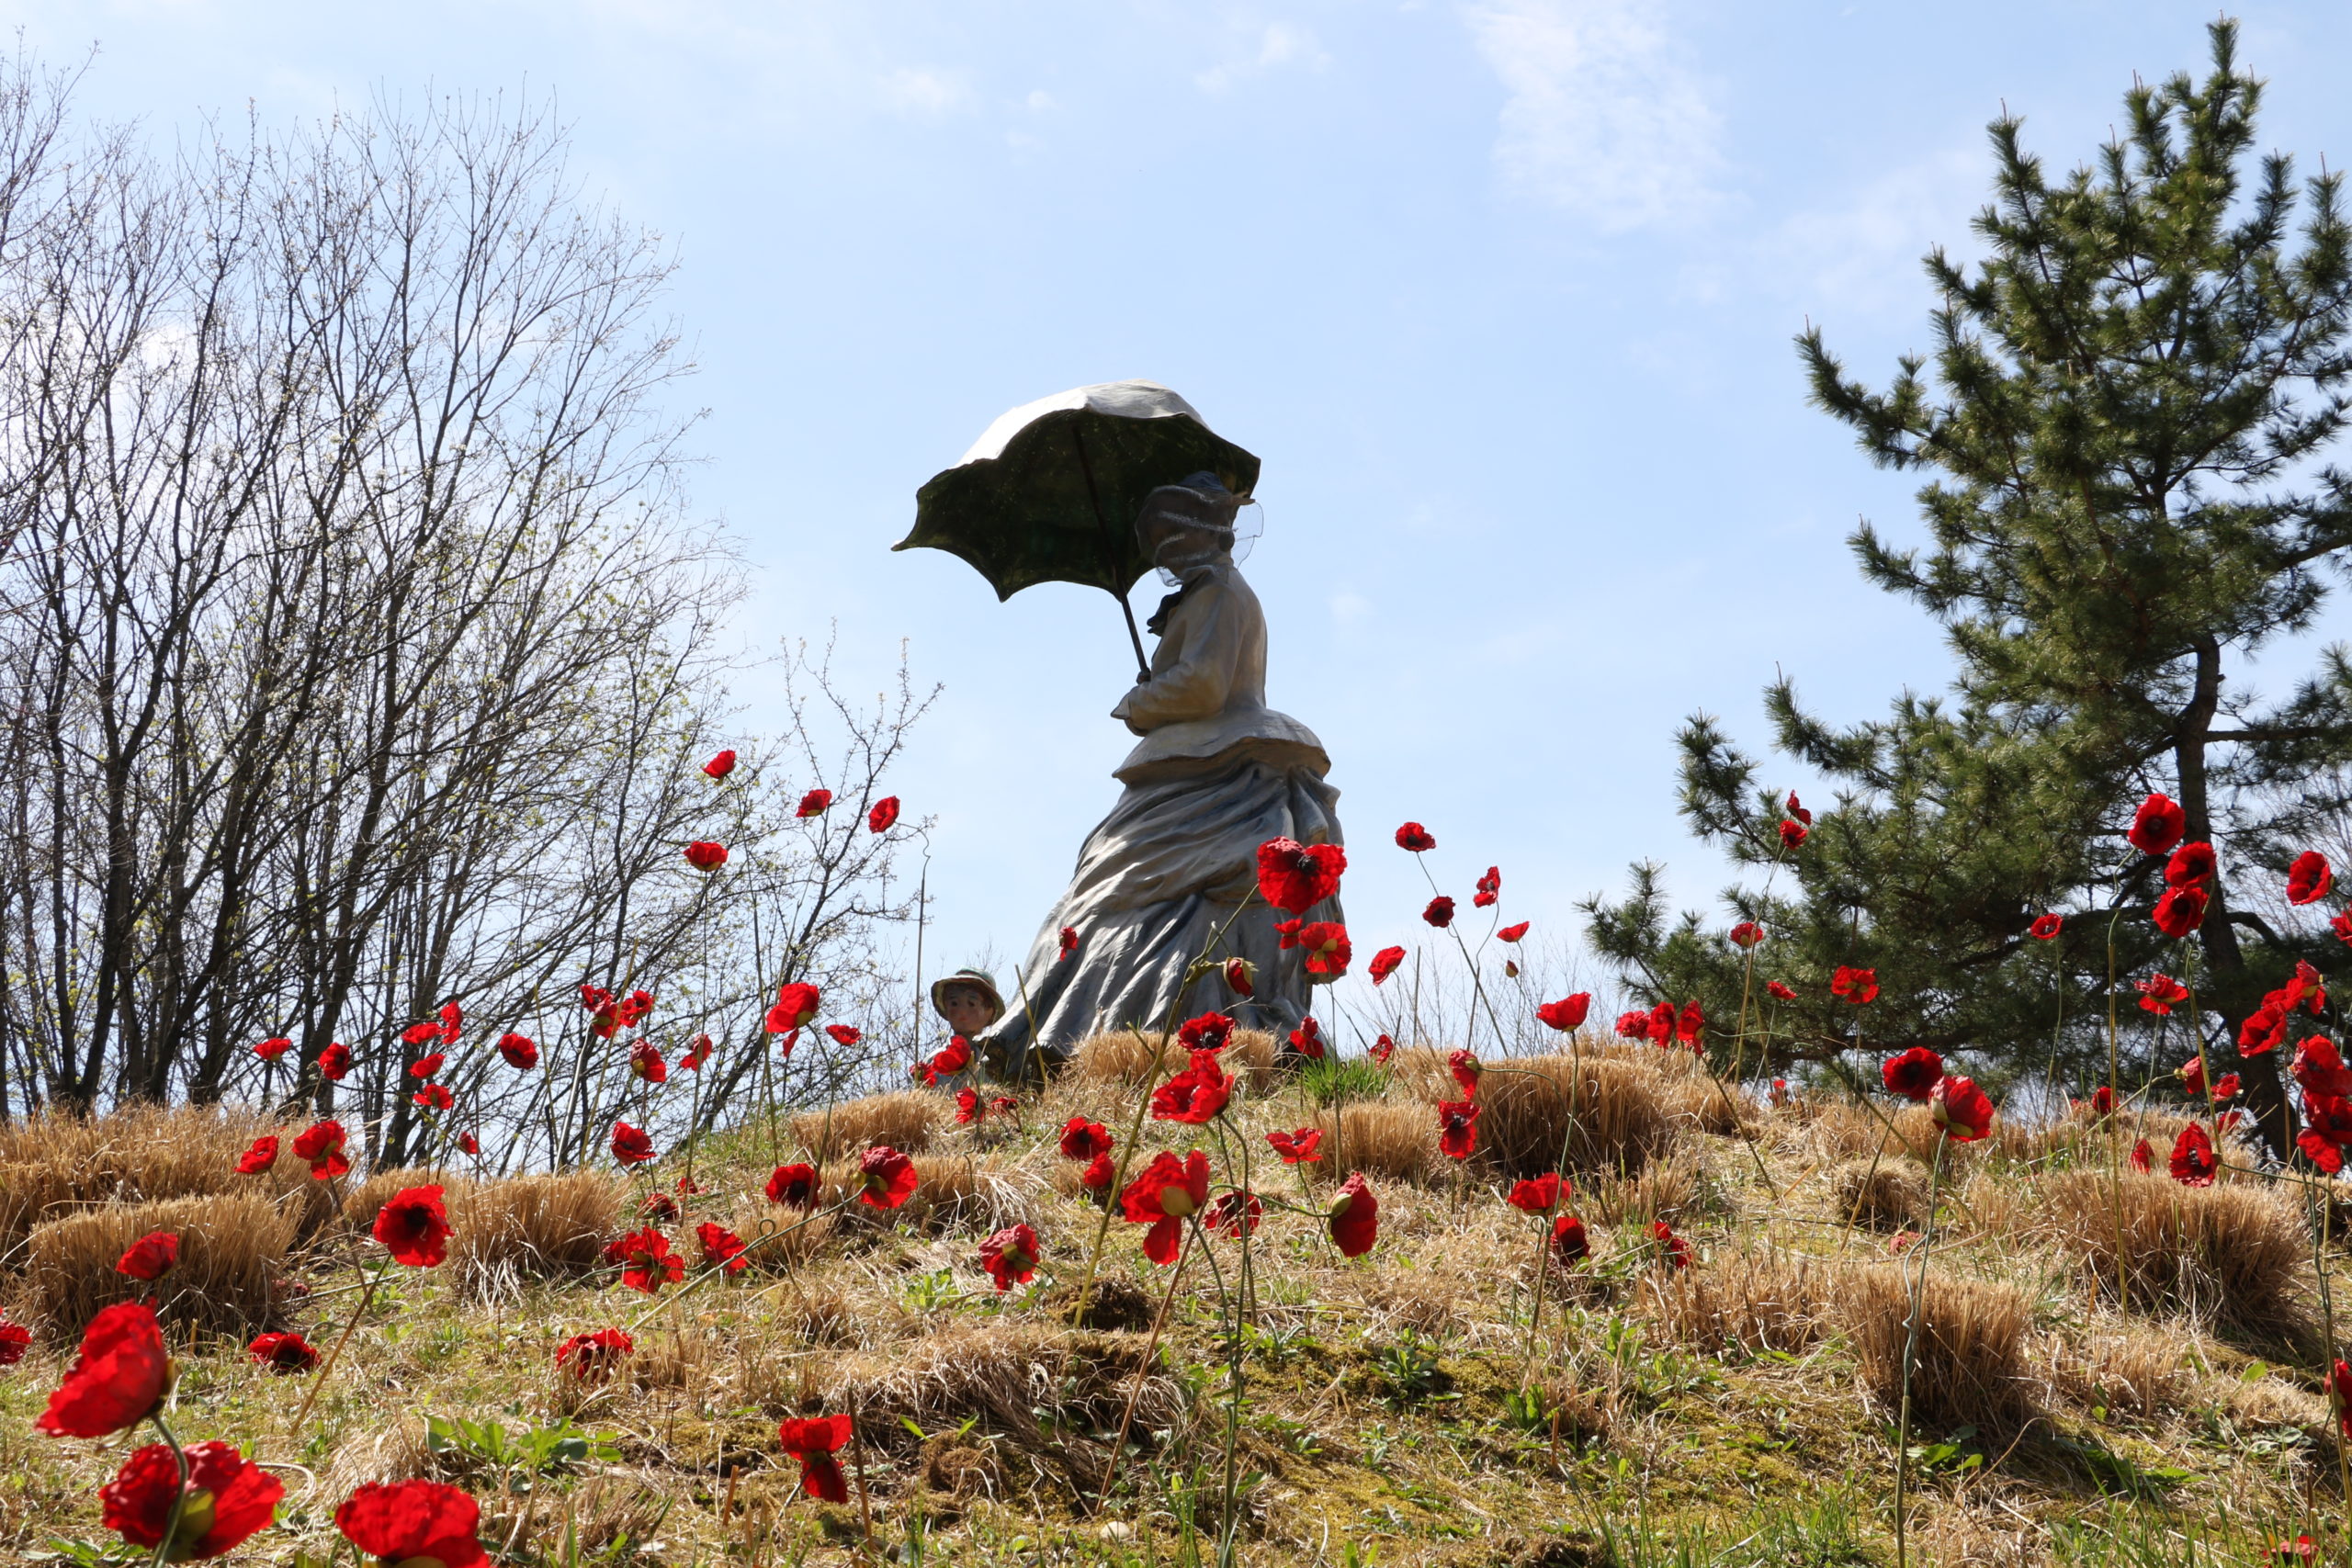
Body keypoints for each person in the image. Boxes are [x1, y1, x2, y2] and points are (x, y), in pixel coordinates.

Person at [978, 472, 1344, 1077]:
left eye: (1168, 536)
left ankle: (1174, 1028)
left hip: (1214, 764)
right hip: (1197, 763)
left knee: (1139, 893)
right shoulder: (1214, 591)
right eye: (1156, 539)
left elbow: (1203, 685)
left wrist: (1141, 700)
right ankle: (1108, 1034)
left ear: (1198, 532)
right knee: (1108, 886)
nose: (1161, 552)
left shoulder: (1220, 593)